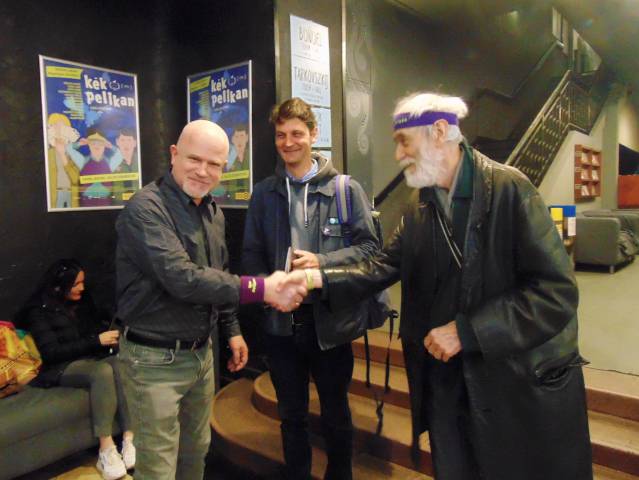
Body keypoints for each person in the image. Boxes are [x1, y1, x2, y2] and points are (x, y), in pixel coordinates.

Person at [287, 93, 593, 479]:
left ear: (439, 132)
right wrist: (315, 279)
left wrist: (468, 331)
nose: (398, 155)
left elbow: (555, 293)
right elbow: (382, 266)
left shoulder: (510, 189)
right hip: (449, 385)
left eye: (404, 142)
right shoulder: (420, 207)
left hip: (512, 383)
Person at [115, 119, 306, 480]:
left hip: (201, 355)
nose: (203, 172)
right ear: (174, 154)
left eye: (214, 164)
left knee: (197, 451)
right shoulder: (145, 209)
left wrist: (231, 329)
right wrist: (263, 288)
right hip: (154, 360)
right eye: (194, 159)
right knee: (158, 466)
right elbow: (183, 278)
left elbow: (218, 271)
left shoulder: (211, 211)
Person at [242, 98, 379, 480]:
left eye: (297, 134)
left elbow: (371, 249)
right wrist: (270, 290)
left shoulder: (345, 189)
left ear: (314, 134)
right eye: (281, 135)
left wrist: (322, 261)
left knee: (336, 413)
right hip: (281, 325)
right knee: (291, 417)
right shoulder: (264, 194)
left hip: (331, 323)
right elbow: (250, 254)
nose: (288, 142)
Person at [20, 259, 135, 480]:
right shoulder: (38, 311)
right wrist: (96, 341)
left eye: (82, 282)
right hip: (58, 368)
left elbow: (92, 330)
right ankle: (106, 448)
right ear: (58, 286)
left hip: (86, 358)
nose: (81, 288)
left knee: (119, 364)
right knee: (102, 372)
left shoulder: (82, 302)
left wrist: (106, 336)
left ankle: (129, 438)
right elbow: (52, 353)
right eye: (76, 284)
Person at [46, 113, 80, 209]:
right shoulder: (48, 155)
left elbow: (75, 179)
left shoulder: (72, 155)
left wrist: (62, 155)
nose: (59, 134)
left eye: (63, 128)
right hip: (55, 195)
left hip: (71, 194)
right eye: (55, 127)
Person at [110, 128, 139, 205]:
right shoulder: (112, 163)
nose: (126, 144)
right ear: (117, 142)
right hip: (118, 205)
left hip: (139, 205)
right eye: (122, 140)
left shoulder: (140, 160)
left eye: (129, 140)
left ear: (135, 143)